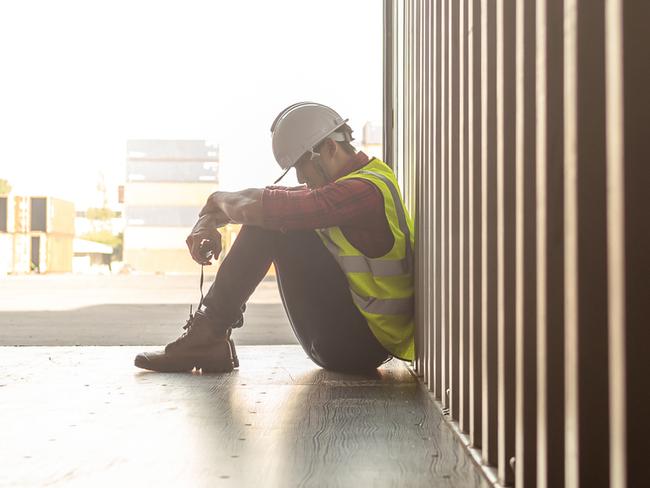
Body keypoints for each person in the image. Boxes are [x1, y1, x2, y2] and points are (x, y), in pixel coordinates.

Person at [134, 102, 415, 374]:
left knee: (271, 222)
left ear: (330, 147)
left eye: (303, 165)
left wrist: (216, 201)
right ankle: (209, 338)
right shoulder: (363, 180)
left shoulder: (362, 191)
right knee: (272, 215)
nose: (301, 178)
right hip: (360, 338)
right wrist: (211, 214)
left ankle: (207, 337)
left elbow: (270, 207)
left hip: (358, 346)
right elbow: (269, 200)